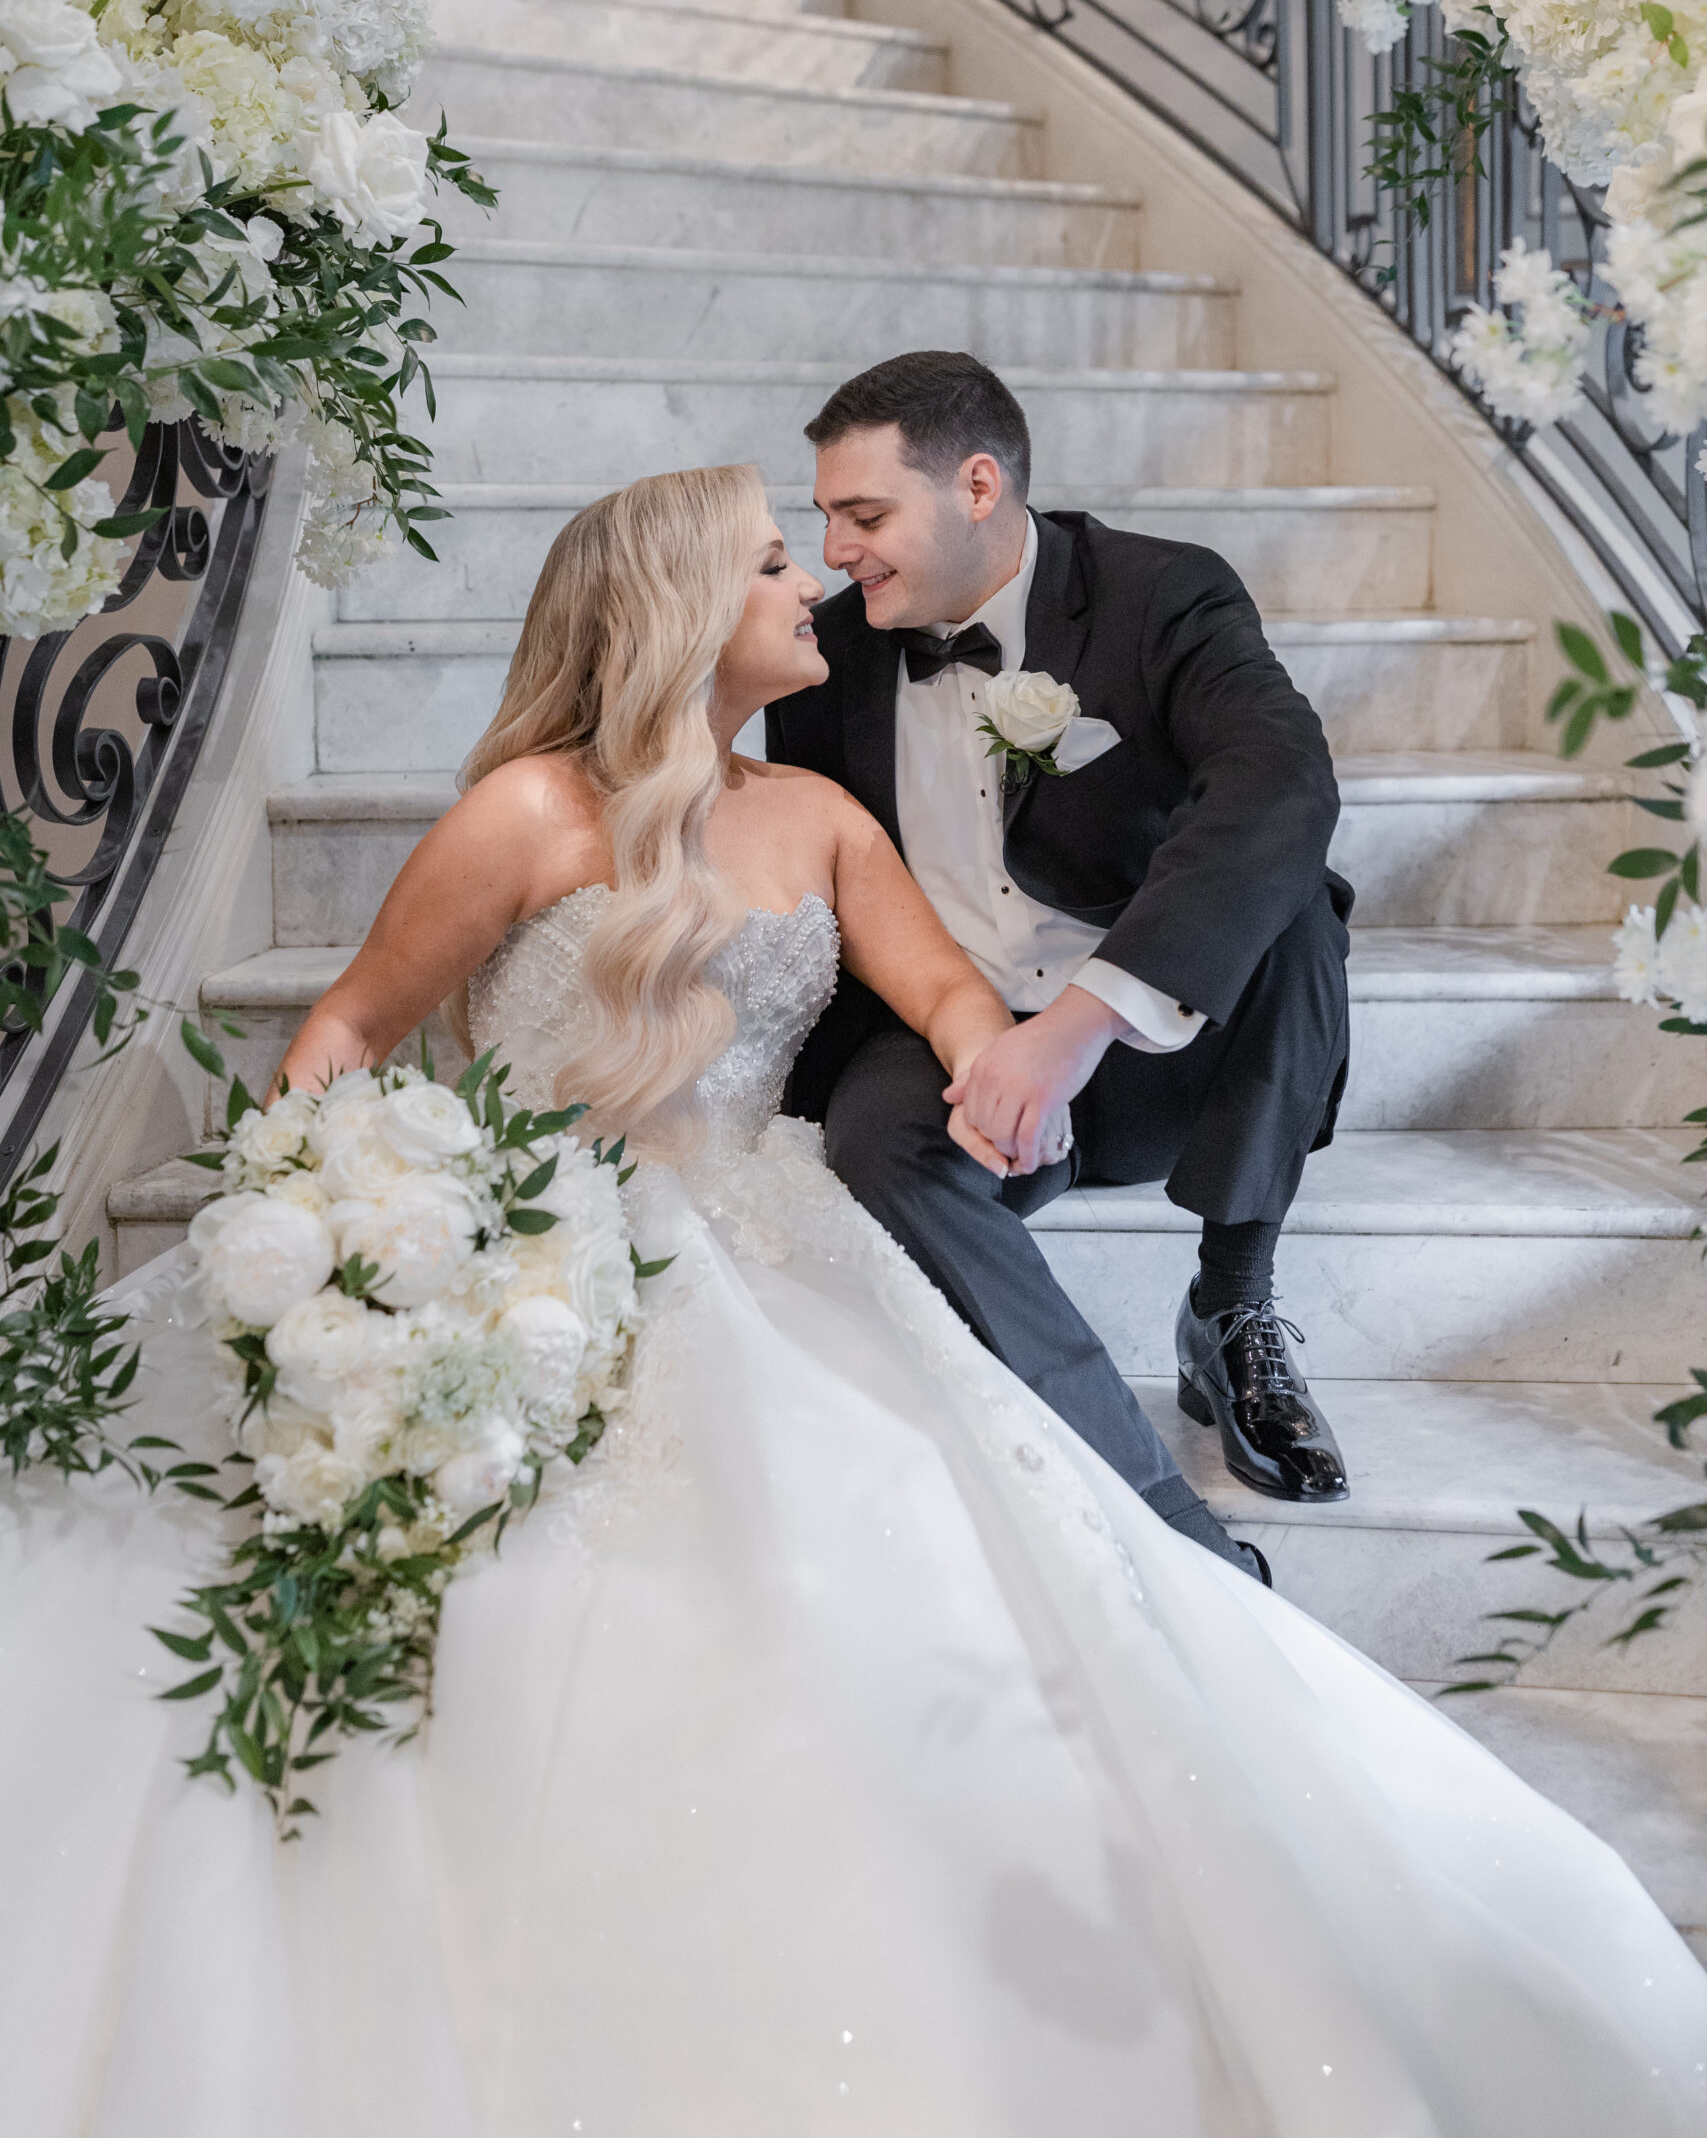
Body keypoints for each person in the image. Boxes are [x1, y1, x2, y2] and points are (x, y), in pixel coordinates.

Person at [3, 465, 1704, 2138]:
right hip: (516, 1245)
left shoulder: (818, 820)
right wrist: (350, 1224)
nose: (809, 584)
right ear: (676, 610)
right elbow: (351, 1028)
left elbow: (955, 1002)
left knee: (911, 1535)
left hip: (771, 1230)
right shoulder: (527, 813)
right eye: (763, 565)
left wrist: (1006, 1073)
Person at [767, 350, 1352, 1546]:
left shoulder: (1163, 596)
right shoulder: (828, 658)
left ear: (978, 487)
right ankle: (1133, 1487)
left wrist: (1077, 1033)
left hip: (1146, 1042)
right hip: (949, 1028)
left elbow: (1281, 783)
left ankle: (1233, 1305)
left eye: (864, 515)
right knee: (876, 1138)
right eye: (824, 518)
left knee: (1293, 912)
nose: (836, 551)